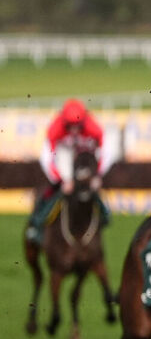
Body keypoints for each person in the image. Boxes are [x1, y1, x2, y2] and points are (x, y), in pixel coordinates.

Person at [25, 98, 111, 242]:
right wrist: (61, 180)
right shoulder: (54, 129)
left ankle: (104, 214)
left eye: (78, 125)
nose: (75, 129)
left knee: (91, 188)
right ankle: (37, 224)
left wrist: (97, 175)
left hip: (83, 158)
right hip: (62, 156)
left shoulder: (94, 128)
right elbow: (47, 159)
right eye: (71, 126)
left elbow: (106, 153)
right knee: (55, 191)